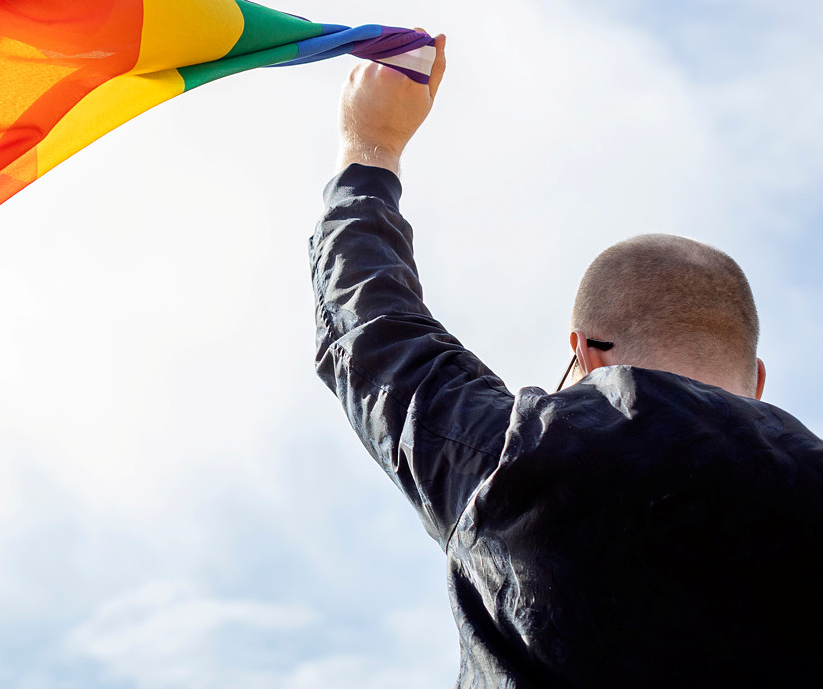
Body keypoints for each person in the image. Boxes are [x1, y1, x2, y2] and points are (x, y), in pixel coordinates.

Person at [313, 34, 823, 684]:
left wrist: (370, 148)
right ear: (756, 380)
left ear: (582, 351)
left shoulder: (515, 459)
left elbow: (372, 327)